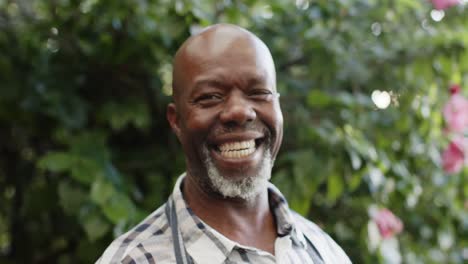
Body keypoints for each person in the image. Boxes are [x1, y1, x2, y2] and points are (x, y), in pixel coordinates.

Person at [97, 24, 351, 264]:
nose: (239, 112)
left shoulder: (323, 250)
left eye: (258, 92)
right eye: (210, 97)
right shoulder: (133, 259)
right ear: (176, 121)